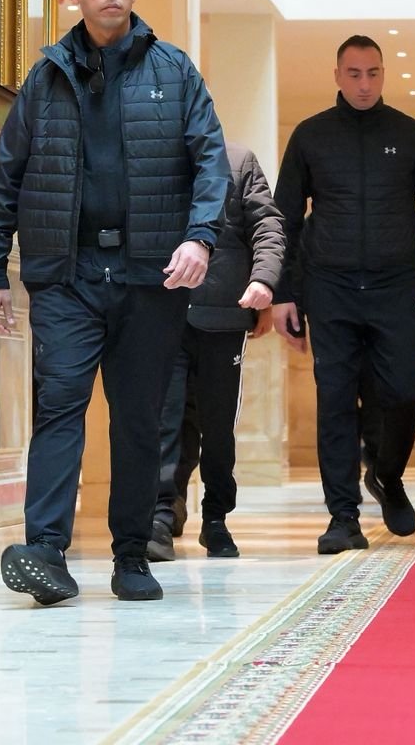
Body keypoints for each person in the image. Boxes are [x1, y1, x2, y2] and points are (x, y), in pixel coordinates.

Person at [0, 0, 229, 605]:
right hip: (68, 274)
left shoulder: (175, 71)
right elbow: (7, 177)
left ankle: (131, 555)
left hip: (151, 277)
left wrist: (200, 237)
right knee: (59, 405)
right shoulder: (45, 79)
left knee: (139, 418)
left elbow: (211, 162)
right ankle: (46, 552)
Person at [273, 36, 415, 553]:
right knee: (335, 399)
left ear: (384, 75)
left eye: (373, 73)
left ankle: (386, 473)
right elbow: (285, 219)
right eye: (354, 73)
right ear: (337, 75)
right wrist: (284, 292)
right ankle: (343, 517)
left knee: (405, 389)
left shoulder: (410, 135)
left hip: (395, 287)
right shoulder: (311, 136)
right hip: (329, 287)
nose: (364, 84)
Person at [149, 141, 284, 561]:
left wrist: (264, 280)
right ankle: (160, 514)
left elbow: (267, 226)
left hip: (224, 315)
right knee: (165, 420)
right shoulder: (151, 153)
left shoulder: (239, 161)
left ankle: (216, 518)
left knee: (218, 425)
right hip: (162, 314)